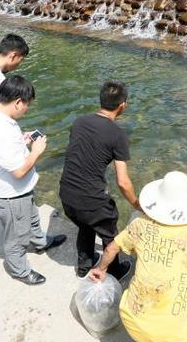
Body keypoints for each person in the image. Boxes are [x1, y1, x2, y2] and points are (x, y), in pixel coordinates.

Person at [90, 171, 187, 342]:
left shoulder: (140, 223)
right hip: (174, 335)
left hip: (132, 320)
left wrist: (101, 269)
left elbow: (111, 249)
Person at [0, 76, 67, 285]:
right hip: (10, 195)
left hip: (19, 191)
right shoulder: (0, 129)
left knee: (32, 218)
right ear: (18, 101)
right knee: (16, 237)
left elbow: (0, 152)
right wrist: (36, 151)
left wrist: (21, 140)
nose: (27, 110)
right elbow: (18, 171)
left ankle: (40, 241)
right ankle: (20, 271)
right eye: (27, 105)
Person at [59, 82, 137, 280]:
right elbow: (123, 182)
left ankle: (83, 266)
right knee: (110, 233)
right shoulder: (118, 135)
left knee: (85, 224)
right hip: (90, 201)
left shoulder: (79, 121)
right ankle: (114, 272)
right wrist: (137, 204)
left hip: (67, 195)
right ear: (123, 105)